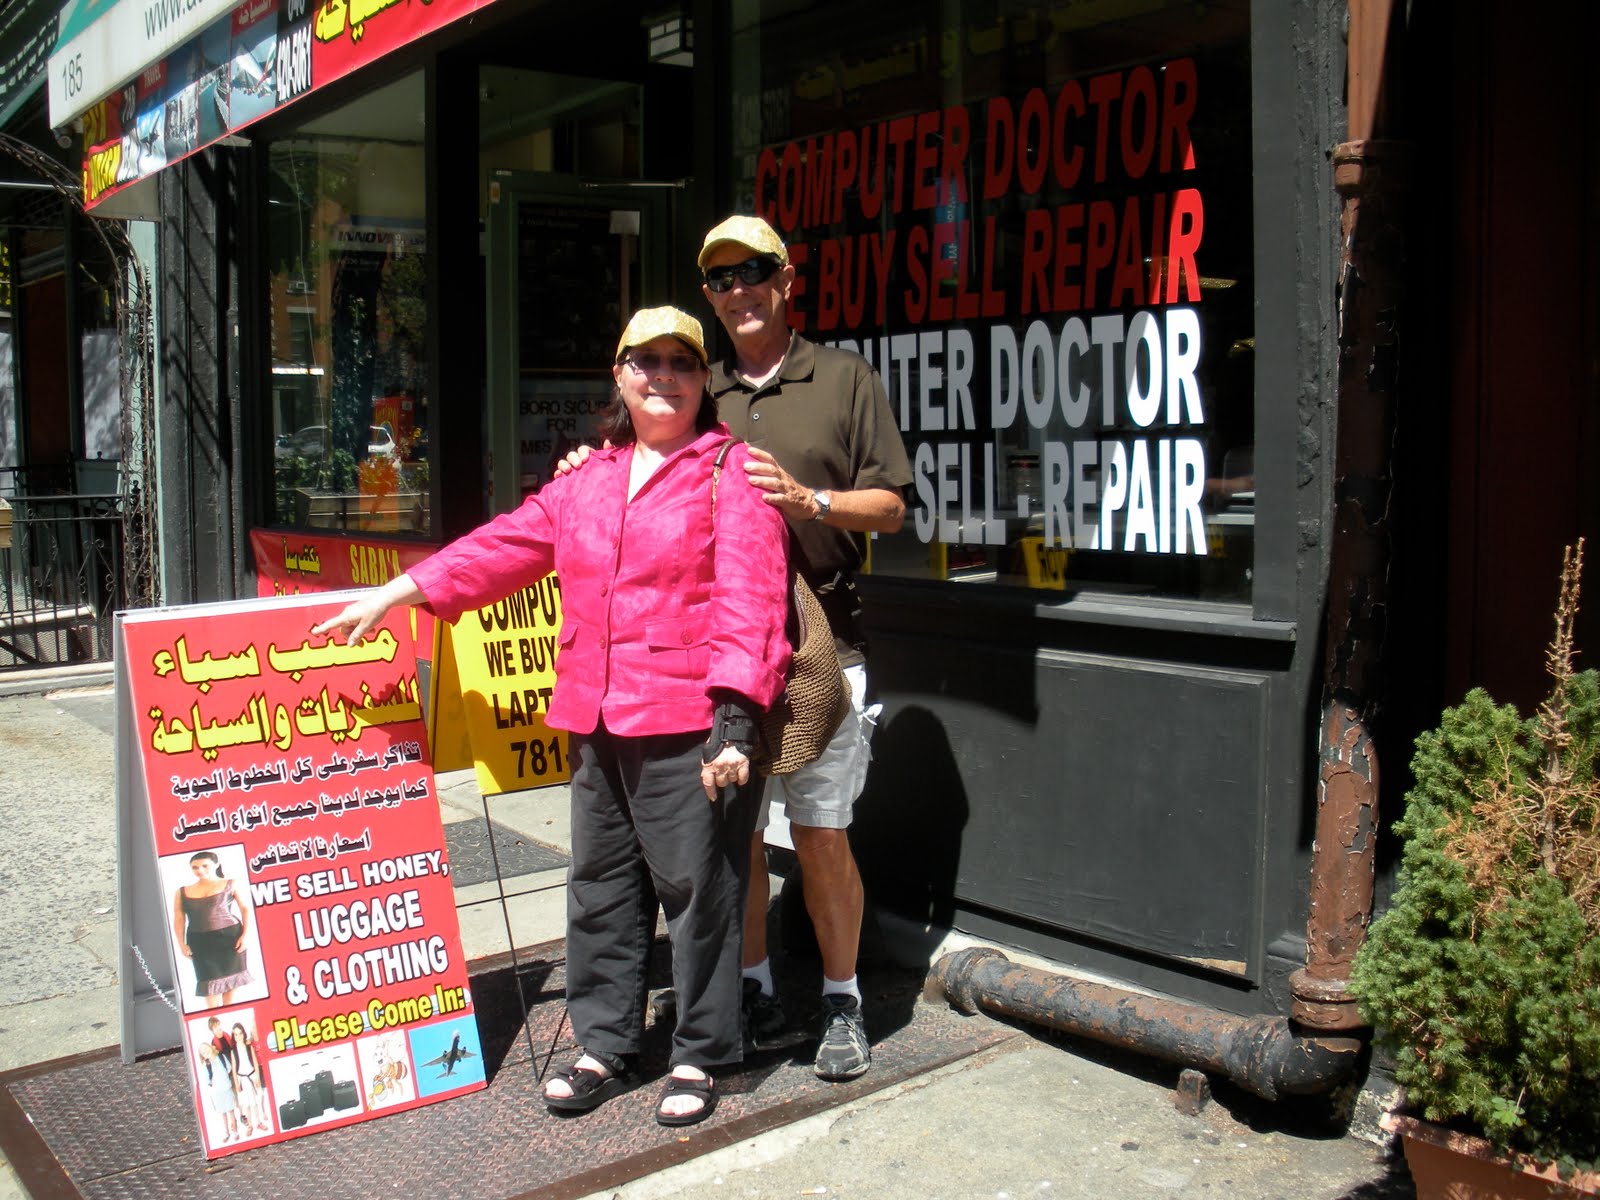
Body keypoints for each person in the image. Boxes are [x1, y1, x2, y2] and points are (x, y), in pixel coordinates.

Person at [313, 306, 791, 1127]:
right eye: (646, 361)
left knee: (701, 893)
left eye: (681, 362)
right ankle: (605, 1043)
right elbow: (503, 546)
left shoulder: (731, 472)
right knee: (600, 889)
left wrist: (737, 721)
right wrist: (399, 591)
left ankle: (702, 1052)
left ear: (703, 379)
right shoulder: (588, 480)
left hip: (689, 723)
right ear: (620, 375)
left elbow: (752, 600)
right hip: (596, 718)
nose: (663, 376)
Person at [696, 215, 912, 1083]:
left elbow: (892, 506)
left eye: (753, 271)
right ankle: (752, 989)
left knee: (822, 835)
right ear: (709, 298)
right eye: (721, 279)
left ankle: (841, 998)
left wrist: (809, 501)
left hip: (826, 641)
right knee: (740, 834)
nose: (738, 290)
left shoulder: (844, 377)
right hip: (726, 650)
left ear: (787, 280)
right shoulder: (699, 389)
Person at [172, 851, 255, 1008]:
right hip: (199, 941)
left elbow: (245, 909)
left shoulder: (231, 883)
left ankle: (230, 1014)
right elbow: (179, 918)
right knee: (209, 987)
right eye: (195, 867)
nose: (200, 870)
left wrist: (245, 935)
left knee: (232, 984)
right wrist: (181, 944)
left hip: (230, 938)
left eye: (205, 866)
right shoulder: (181, 891)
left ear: (216, 865)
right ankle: (213, 1016)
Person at [230, 1020, 271, 1134]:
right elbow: (234, 1068)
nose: (238, 1037)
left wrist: (257, 1076)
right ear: (233, 1036)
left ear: (243, 1034)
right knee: (246, 1104)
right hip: (242, 1078)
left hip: (251, 1075)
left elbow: (255, 1062)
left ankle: (258, 1122)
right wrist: (237, 1083)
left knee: (254, 1102)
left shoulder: (248, 1046)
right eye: (236, 1034)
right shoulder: (233, 1051)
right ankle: (249, 1125)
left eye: (240, 1033)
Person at [196, 1041, 240, 1144]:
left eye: (206, 1048)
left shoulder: (221, 1057)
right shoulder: (206, 1066)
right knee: (223, 1113)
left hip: (226, 1088)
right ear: (202, 1056)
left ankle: (235, 1131)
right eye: (203, 1052)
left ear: (210, 1047)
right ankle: (226, 1132)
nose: (205, 1051)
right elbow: (207, 1080)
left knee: (231, 1111)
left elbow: (228, 1068)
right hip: (217, 1092)